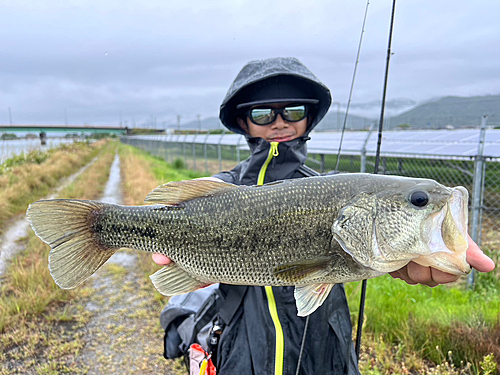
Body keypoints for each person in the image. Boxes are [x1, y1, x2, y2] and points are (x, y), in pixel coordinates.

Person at [153, 57, 495, 375]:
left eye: (294, 111)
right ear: (243, 121)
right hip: (241, 353)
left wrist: (418, 245)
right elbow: (210, 195)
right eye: (262, 115)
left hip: (325, 350)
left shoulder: (329, 188)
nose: (279, 123)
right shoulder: (222, 189)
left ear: (309, 118)